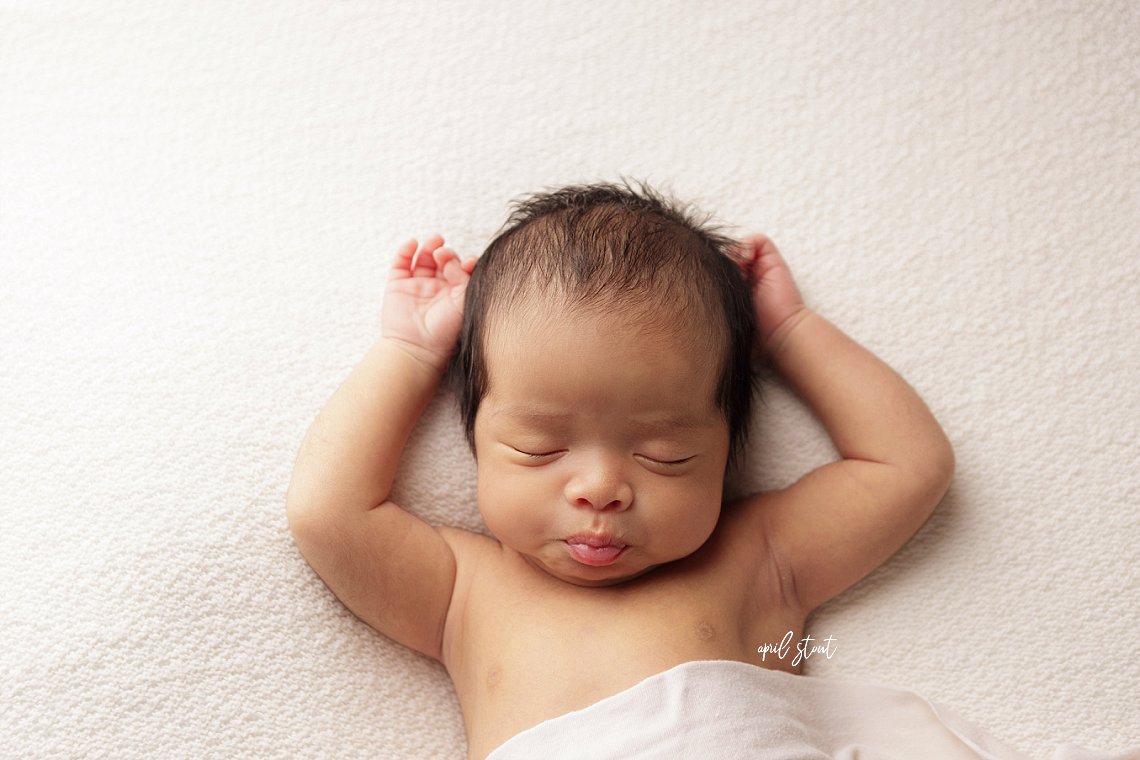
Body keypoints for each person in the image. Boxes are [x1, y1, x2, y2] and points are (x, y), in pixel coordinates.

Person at [285, 181, 956, 758]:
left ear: (727, 450)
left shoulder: (761, 558)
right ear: (476, 439)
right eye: (541, 449)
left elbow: (907, 463)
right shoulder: (464, 592)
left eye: (666, 457)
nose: (600, 489)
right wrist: (408, 353)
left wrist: (789, 333)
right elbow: (329, 513)